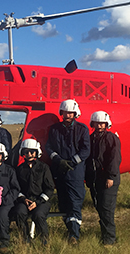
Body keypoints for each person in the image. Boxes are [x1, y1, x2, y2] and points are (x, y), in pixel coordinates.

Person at [45, 99, 90, 244]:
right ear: (61, 113)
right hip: (59, 171)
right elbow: (49, 147)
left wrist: (72, 162)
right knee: (63, 203)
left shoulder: (82, 129)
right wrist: (58, 160)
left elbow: (86, 150)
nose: (68, 115)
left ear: (75, 113)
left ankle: (74, 235)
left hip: (75, 172)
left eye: (71, 112)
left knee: (75, 202)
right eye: (65, 112)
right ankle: (70, 229)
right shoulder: (54, 129)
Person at [86, 111, 121, 246]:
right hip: (96, 179)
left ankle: (109, 241)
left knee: (106, 209)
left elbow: (114, 158)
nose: (99, 125)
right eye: (97, 123)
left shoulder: (111, 138)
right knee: (99, 207)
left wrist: (111, 177)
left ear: (107, 124)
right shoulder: (91, 138)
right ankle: (104, 235)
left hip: (108, 179)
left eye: (102, 123)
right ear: (93, 123)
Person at [12, 138, 55, 244]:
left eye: (32, 151)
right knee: (19, 213)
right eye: (26, 152)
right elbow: (16, 188)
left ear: (37, 152)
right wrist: (23, 199)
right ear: (23, 153)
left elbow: (50, 188)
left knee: (38, 215)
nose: (29, 154)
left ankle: (44, 241)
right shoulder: (19, 169)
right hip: (25, 200)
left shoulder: (44, 168)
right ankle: (26, 239)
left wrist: (38, 202)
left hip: (41, 201)